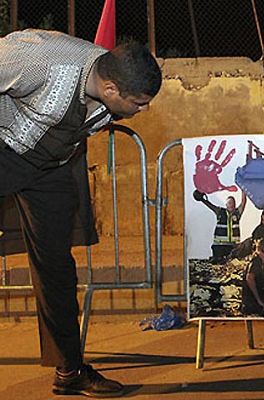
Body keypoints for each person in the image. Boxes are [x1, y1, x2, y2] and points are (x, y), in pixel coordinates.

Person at [0, 29, 162, 397]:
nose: (144, 110)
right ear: (110, 90)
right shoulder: (37, 60)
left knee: (57, 269)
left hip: (51, 167)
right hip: (3, 149)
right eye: (139, 103)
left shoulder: (110, 71)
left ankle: (70, 371)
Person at [194, 190, 247, 262]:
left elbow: (243, 202)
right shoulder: (220, 212)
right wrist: (202, 199)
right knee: (218, 265)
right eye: (229, 203)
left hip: (233, 247)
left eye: (233, 203)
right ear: (226, 205)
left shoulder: (237, 213)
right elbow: (211, 206)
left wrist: (243, 189)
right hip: (219, 246)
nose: (231, 204)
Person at [242, 238, 264, 316]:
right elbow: (250, 278)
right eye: (263, 251)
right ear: (258, 249)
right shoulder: (256, 262)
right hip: (252, 304)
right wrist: (259, 300)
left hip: (257, 303)